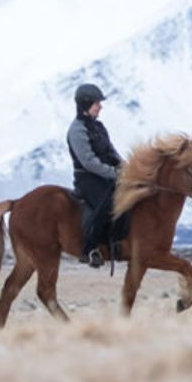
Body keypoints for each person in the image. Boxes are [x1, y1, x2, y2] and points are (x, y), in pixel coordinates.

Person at [67, 83, 124, 268]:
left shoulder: (99, 126)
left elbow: (111, 152)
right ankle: (89, 249)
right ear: (85, 104)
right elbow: (88, 161)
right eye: (96, 103)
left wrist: (128, 169)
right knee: (106, 204)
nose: (100, 106)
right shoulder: (76, 130)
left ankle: (115, 241)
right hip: (88, 179)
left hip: (107, 175)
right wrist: (113, 173)